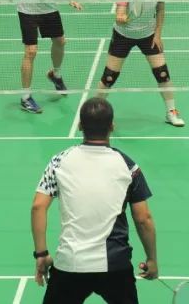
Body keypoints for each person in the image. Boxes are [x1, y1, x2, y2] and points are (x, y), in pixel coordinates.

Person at [32, 97, 158, 304]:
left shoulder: (58, 161)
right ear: (112, 126)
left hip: (71, 263)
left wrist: (41, 254)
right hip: (115, 265)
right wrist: (152, 259)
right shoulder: (128, 166)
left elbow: (38, 206)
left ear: (80, 126)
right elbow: (143, 218)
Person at [97, 0, 184, 127]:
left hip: (148, 35)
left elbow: (160, 9)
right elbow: (120, 13)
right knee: (108, 78)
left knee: (163, 74)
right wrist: (120, 17)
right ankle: (95, 113)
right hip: (123, 36)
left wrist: (158, 34)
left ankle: (171, 112)